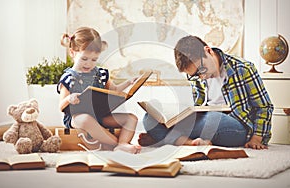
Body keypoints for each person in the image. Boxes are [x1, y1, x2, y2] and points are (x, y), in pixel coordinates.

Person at [142, 35, 274, 150]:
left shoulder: (243, 69)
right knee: (149, 118)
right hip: (204, 121)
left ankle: (165, 138)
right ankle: (190, 142)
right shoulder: (197, 76)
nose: (201, 77)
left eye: (201, 70)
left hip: (235, 125)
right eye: (195, 75)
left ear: (208, 51)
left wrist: (257, 138)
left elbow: (264, 107)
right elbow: (199, 109)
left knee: (213, 119)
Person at [57, 27, 141, 154]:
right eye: (84, 59)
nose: (89, 64)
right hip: (78, 117)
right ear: (72, 53)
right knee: (85, 119)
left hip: (100, 115)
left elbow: (115, 90)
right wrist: (70, 98)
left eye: (94, 60)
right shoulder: (69, 78)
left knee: (131, 118)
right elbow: (61, 106)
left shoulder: (100, 73)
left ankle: (123, 143)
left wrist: (129, 83)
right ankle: (115, 144)